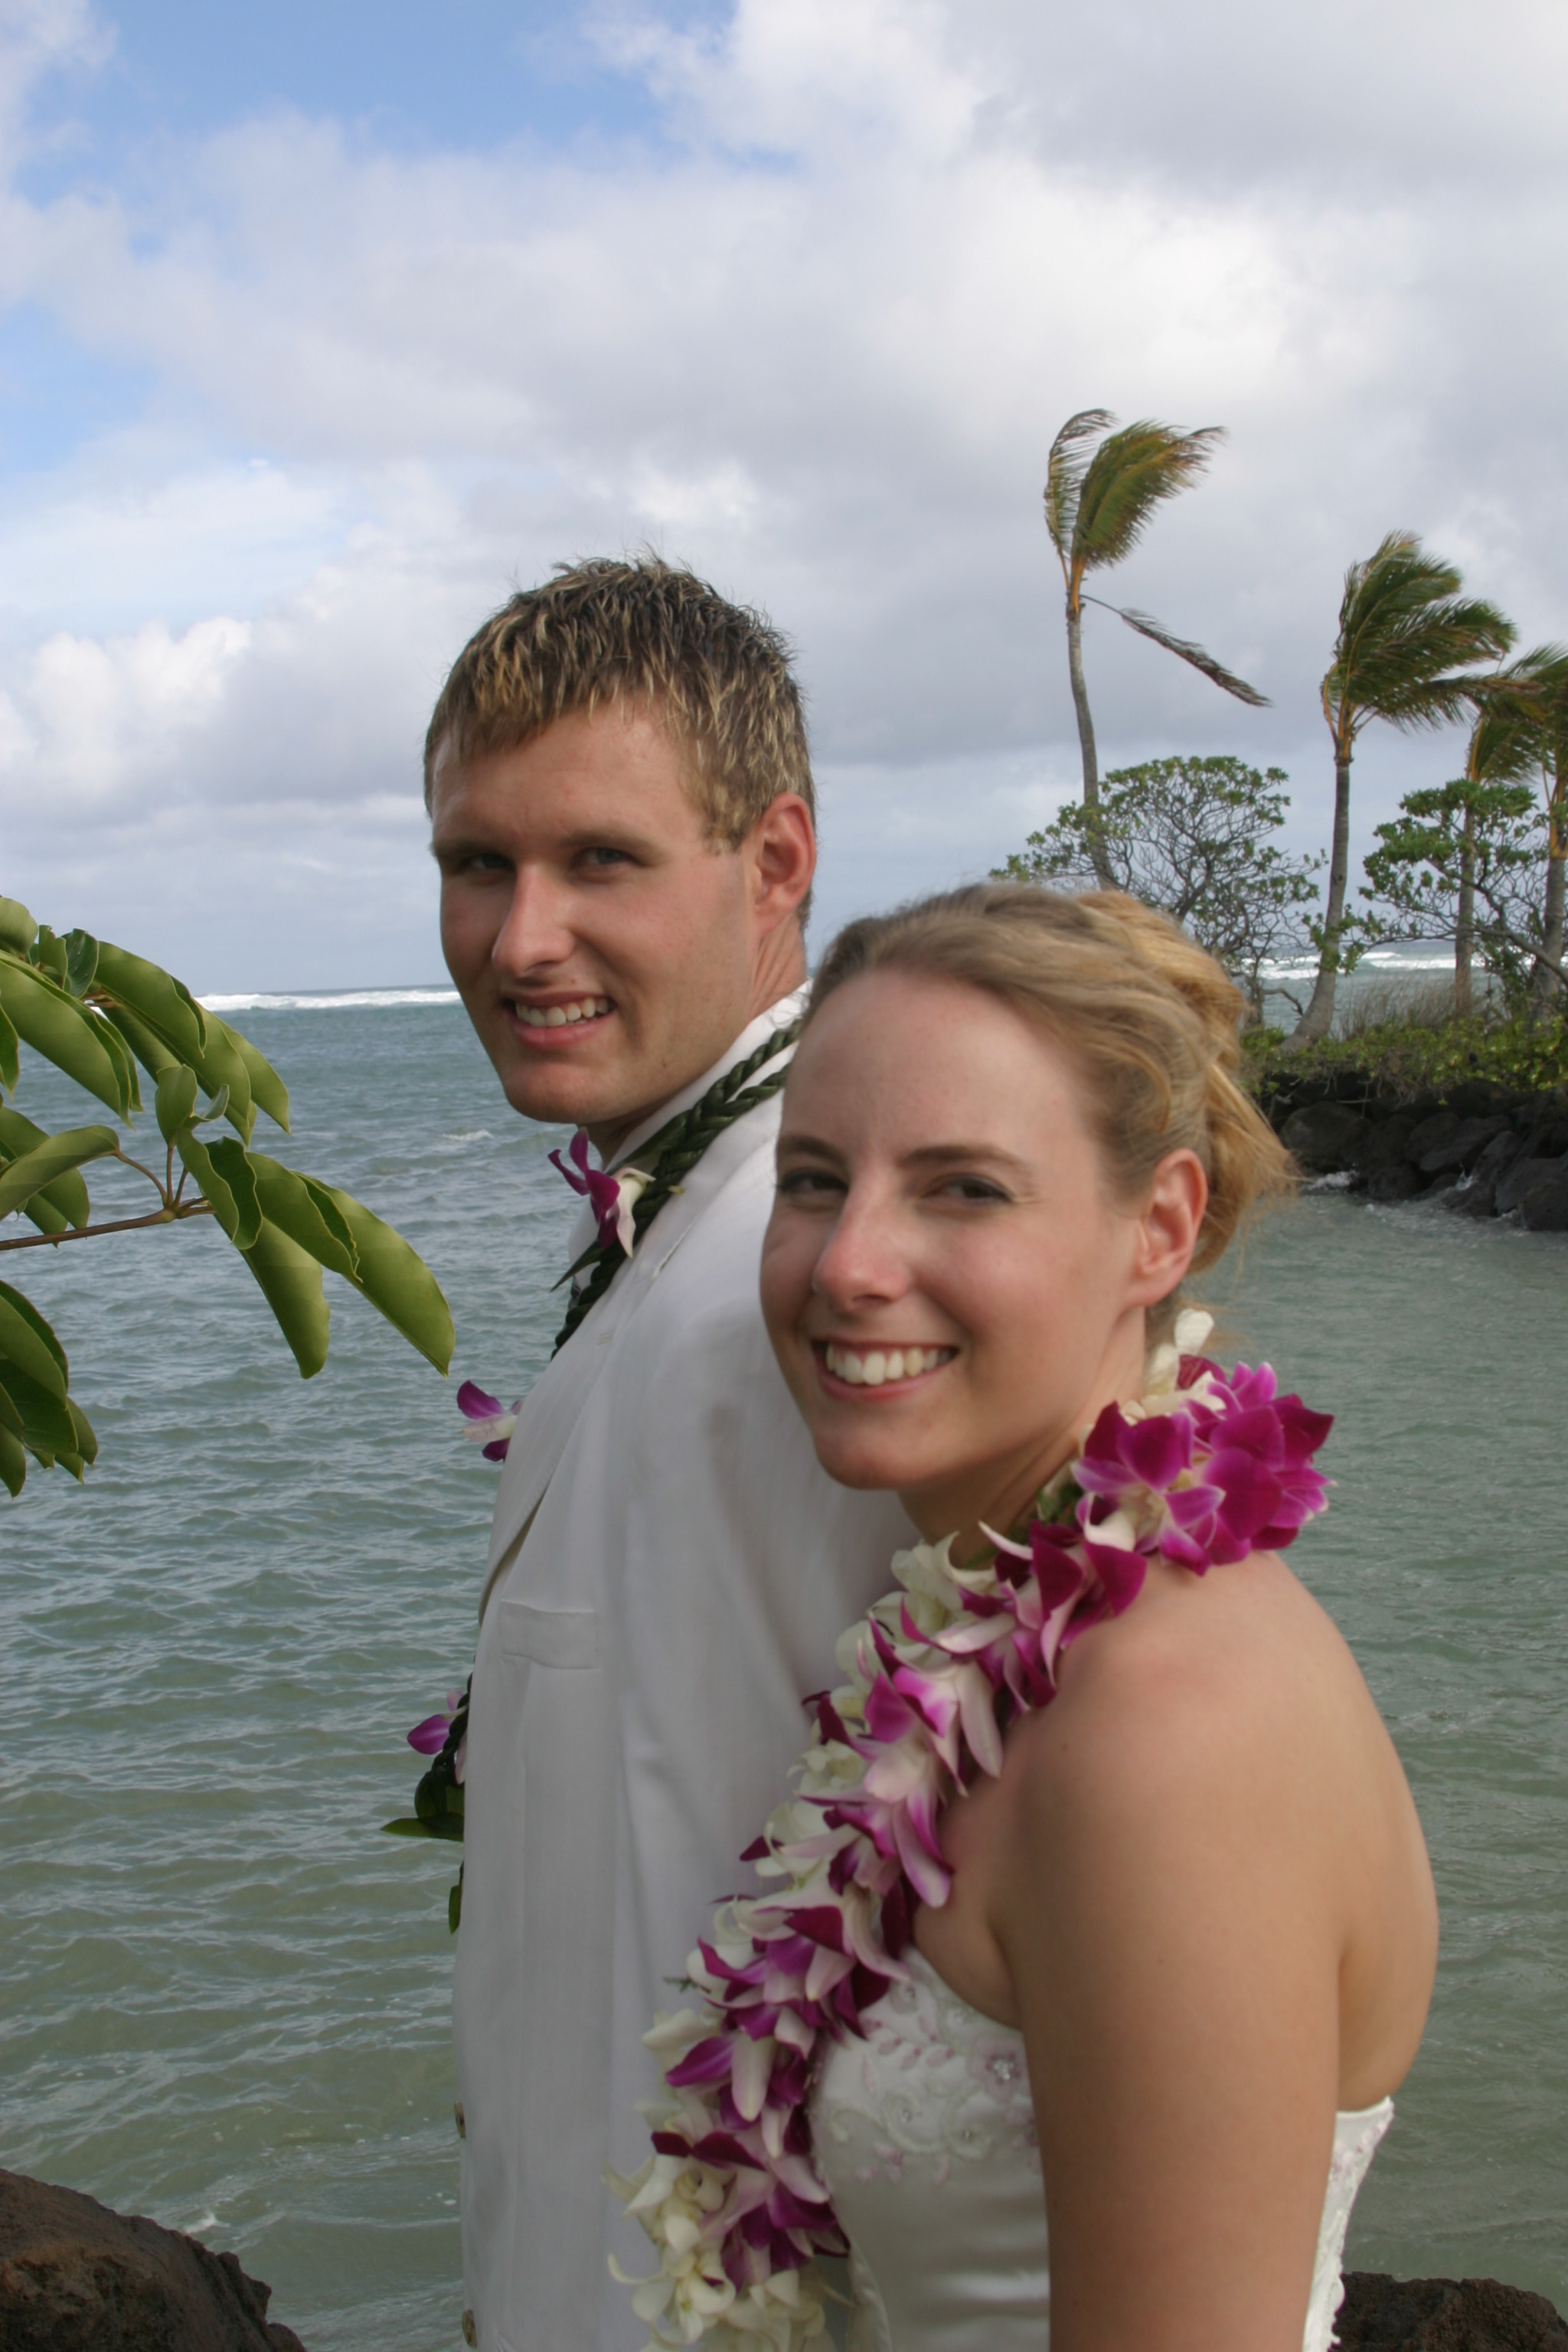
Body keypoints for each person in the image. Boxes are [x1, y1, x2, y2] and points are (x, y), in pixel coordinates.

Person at [615, 884, 1438, 2352]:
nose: (849, 1263)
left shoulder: (1170, 1734)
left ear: (1159, 1229)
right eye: (813, 1179)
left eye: (965, 1189)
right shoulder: (1000, 1639)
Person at [426, 558, 915, 2352]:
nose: (519, 939)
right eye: (478, 863)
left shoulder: (828, 1281)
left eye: (600, 861)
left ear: (775, 861)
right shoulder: (698, 1223)